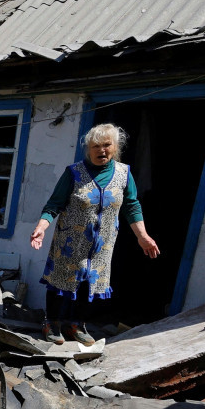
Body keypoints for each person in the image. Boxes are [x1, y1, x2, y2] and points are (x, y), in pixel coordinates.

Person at [29, 123, 160, 345]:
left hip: (102, 245)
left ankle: (76, 325)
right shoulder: (74, 173)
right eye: (96, 146)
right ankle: (51, 323)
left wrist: (142, 236)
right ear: (88, 149)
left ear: (115, 147)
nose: (102, 150)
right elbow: (54, 205)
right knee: (60, 281)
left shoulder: (124, 174)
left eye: (107, 145)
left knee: (91, 282)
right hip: (70, 241)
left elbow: (131, 206)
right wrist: (41, 228)